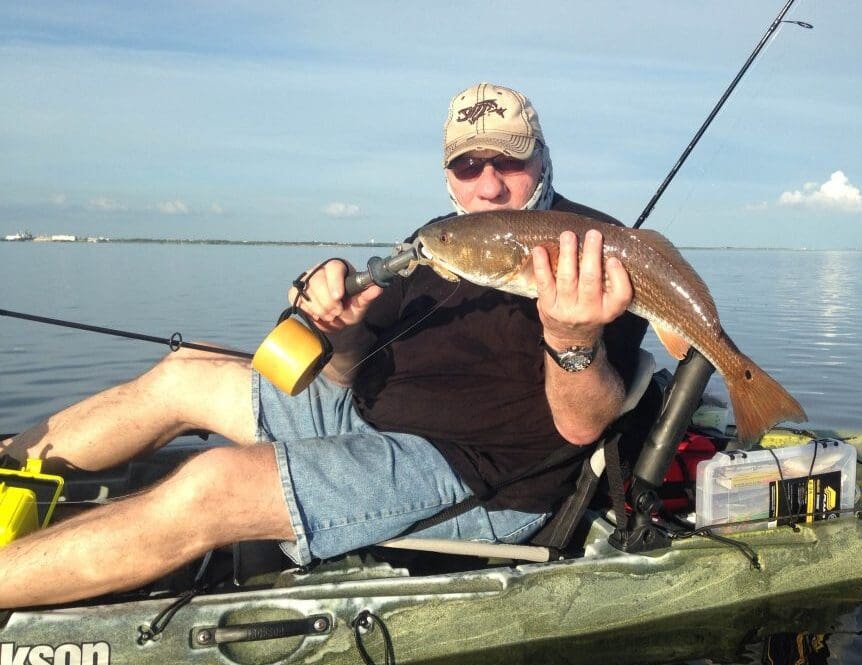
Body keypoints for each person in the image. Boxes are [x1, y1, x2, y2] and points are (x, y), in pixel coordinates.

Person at [0, 82, 647, 608]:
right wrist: (341, 332)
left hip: (475, 475)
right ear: (448, 176)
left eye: (508, 159)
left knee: (213, 483)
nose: (489, 183)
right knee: (187, 368)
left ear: (542, 158)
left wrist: (571, 336)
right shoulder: (436, 241)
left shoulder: (593, 251)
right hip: (367, 414)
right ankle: (9, 461)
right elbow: (344, 373)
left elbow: (581, 422)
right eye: (468, 164)